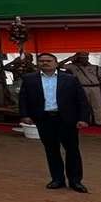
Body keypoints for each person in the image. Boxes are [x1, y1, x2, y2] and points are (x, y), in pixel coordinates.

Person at [19, 53, 91, 192]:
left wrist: (83, 118)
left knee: (72, 150)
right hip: (44, 118)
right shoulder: (29, 79)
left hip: (67, 119)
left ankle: (75, 181)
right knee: (51, 150)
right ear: (38, 63)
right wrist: (24, 115)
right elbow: (23, 98)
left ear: (56, 63)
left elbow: (81, 100)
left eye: (48, 61)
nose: (45, 63)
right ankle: (57, 179)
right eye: (41, 61)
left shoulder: (70, 79)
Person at [62, 52, 101, 125]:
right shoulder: (73, 66)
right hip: (82, 87)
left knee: (97, 105)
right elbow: (58, 65)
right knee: (85, 105)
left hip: (95, 87)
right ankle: (86, 121)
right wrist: (69, 59)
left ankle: (99, 122)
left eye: (85, 58)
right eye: (81, 58)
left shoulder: (95, 67)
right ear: (78, 59)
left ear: (88, 58)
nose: (83, 60)